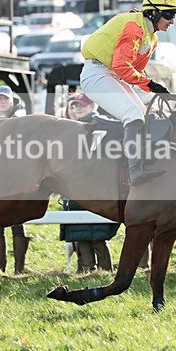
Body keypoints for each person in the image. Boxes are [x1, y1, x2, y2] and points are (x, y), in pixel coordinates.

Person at [80, 0, 176, 185]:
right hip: (96, 74)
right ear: (153, 13)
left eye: (174, 16)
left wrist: (155, 90)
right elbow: (122, 66)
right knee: (133, 114)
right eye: (169, 15)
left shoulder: (152, 38)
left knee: (148, 106)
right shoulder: (133, 27)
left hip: (113, 75)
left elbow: (136, 73)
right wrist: (151, 84)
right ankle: (134, 171)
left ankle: (147, 158)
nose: (172, 21)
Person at [59, 94, 118, 272]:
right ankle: (85, 269)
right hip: (73, 187)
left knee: (97, 234)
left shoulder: (102, 126)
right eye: (72, 106)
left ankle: (105, 270)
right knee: (80, 234)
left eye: (80, 106)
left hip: (95, 188)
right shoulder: (63, 129)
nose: (75, 109)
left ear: (93, 106)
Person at [0, 85, 31, 273]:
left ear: (11, 102)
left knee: (17, 220)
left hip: (17, 177)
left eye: (5, 99)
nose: (2, 102)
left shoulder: (21, 121)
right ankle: (1, 268)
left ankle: (19, 269)